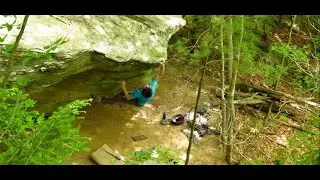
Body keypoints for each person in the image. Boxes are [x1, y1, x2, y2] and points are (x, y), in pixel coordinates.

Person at [92, 64, 164, 107]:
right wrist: (162, 65)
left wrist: (123, 87)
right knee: (123, 93)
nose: (146, 84)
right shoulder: (152, 88)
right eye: (147, 86)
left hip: (138, 102)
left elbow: (128, 98)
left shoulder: (138, 93)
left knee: (120, 97)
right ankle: (112, 100)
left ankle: (103, 100)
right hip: (142, 99)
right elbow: (159, 76)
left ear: (142, 90)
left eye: (145, 86)